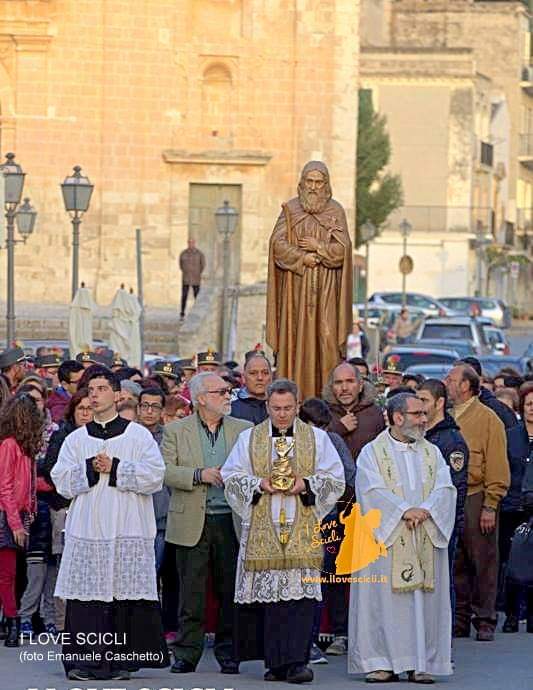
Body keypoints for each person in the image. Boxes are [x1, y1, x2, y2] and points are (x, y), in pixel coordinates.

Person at [221, 379, 345, 684]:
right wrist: (259, 484)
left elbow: (335, 477)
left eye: (288, 408)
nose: (281, 414)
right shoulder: (250, 438)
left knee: (299, 598)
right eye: (276, 408)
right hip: (265, 525)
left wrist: (306, 484)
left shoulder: (317, 439)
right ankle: (275, 663)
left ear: (298, 406)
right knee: (272, 600)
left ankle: (296, 662)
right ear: (267, 406)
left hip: (300, 521)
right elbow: (231, 475)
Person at [51, 369, 169, 681]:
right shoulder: (76, 439)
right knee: (86, 596)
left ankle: (120, 662)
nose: (94, 394)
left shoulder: (138, 436)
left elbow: (155, 476)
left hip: (128, 524)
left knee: (123, 593)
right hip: (89, 526)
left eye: (102, 388)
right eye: (90, 389)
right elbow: (60, 481)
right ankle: (84, 663)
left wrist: (116, 467)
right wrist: (90, 470)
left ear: (116, 395)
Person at [348, 392, 457, 684]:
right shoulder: (373, 452)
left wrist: (426, 511)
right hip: (388, 538)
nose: (424, 420)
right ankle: (382, 661)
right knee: (385, 602)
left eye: (424, 414)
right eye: (418, 414)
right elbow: (370, 490)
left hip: (423, 533)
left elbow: (446, 487)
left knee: (423, 601)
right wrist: (402, 511)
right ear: (398, 418)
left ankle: (422, 662)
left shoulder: (431, 452)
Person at [161, 372, 251, 674]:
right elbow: (163, 471)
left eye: (229, 391)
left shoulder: (244, 430)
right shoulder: (175, 430)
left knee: (230, 592)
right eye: (221, 392)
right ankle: (187, 653)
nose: (228, 396)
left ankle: (229, 654)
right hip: (191, 522)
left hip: (231, 519)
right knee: (191, 593)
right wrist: (199, 475)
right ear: (201, 398)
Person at [266, 160, 353, 400]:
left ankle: (326, 401)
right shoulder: (290, 211)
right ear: (301, 184)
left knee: (327, 343)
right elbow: (277, 245)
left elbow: (343, 251)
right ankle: (291, 401)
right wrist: (303, 257)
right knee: (294, 346)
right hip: (295, 292)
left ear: (327, 185)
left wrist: (320, 248)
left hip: (326, 293)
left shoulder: (335, 211)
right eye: (310, 182)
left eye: (319, 182)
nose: (314, 187)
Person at [444, 364, 510, 641]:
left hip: (476, 494)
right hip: (449, 495)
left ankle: (485, 618)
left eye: (451, 379)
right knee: (456, 561)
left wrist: (490, 505)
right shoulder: (444, 416)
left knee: (483, 559)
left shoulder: (487, 418)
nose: (446, 383)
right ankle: (459, 618)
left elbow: (496, 463)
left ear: (465, 386)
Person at [298, 397, 355, 665]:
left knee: (330, 578)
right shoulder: (294, 441)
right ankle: (304, 641)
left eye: (322, 425)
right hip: (299, 517)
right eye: (312, 425)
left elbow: (348, 474)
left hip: (329, 516)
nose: (318, 431)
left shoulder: (333, 441)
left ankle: (338, 634)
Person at [418, 379, 469, 629]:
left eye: (425, 400)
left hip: (441, 524)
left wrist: (448, 524)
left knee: (441, 581)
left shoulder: (451, 440)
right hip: (421, 522)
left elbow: (454, 488)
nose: (420, 406)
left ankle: (441, 636)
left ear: (439, 403)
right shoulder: (421, 435)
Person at [0, 394, 43, 647]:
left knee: (13, 573)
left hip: (19, 513)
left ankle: (10, 620)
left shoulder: (25, 447)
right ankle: (13, 622)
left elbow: (27, 485)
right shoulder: (9, 445)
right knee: (7, 574)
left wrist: (31, 510)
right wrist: (16, 523)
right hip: (7, 515)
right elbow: (4, 487)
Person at [500, 383, 533, 633]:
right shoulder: (511, 435)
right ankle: (511, 615)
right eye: (530, 404)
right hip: (512, 506)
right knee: (511, 562)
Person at [323, 362, 385, 465]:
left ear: (360, 386)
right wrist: (338, 428)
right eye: (338, 382)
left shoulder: (375, 414)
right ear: (331, 387)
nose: (344, 388)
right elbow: (313, 448)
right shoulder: (322, 412)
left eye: (350, 381)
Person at [461, 357, 517, 430]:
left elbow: (513, 437)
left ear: (480, 380)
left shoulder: (498, 410)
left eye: (465, 379)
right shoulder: (448, 408)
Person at [231, 352, 272, 425]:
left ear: (271, 377)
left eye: (265, 373)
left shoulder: (281, 405)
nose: (260, 378)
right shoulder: (230, 406)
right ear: (243, 377)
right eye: (253, 373)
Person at [179, 238, 205, 320]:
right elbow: (180, 265)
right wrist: (186, 271)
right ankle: (182, 313)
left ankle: (197, 314)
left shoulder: (199, 254)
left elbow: (203, 265)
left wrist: (197, 272)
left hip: (196, 278)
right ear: (188, 243)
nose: (191, 244)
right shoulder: (183, 253)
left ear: (194, 243)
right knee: (184, 296)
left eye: (192, 242)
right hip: (186, 278)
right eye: (189, 242)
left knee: (196, 296)